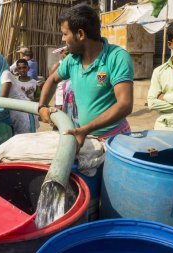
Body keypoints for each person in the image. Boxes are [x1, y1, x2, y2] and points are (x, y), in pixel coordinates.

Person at [38, 3, 134, 150]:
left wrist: (86, 129)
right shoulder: (72, 60)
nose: (63, 39)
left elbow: (125, 105)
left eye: (65, 33)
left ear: (81, 34)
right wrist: (42, 106)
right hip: (85, 135)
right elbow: (52, 79)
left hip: (114, 139)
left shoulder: (116, 57)